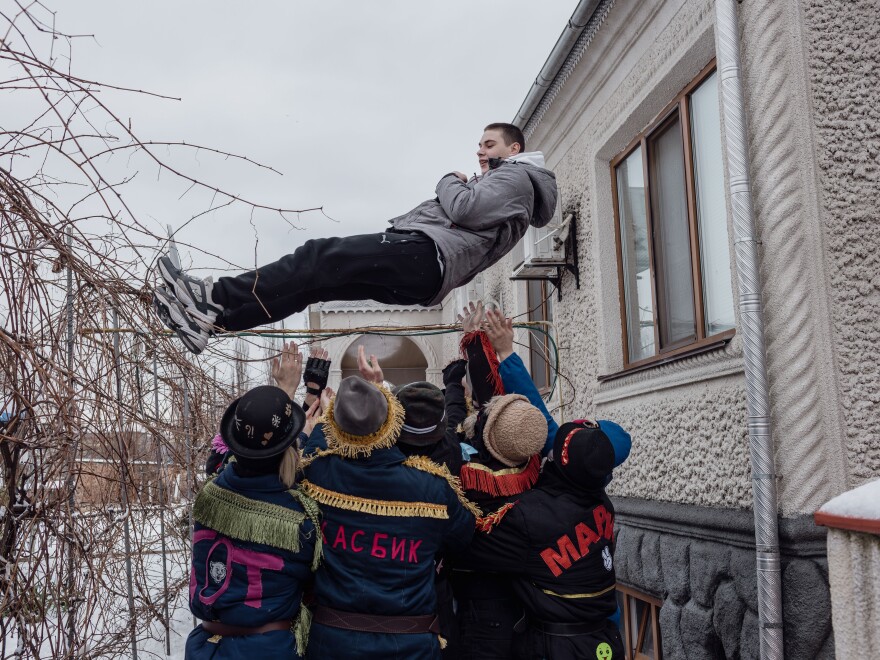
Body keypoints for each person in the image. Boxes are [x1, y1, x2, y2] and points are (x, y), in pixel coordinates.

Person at [153, 123, 558, 353]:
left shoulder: (517, 176)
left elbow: (463, 208)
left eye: (489, 144)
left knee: (317, 256)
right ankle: (215, 320)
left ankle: (213, 297)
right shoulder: (512, 188)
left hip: (426, 255)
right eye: (479, 146)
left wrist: (447, 180)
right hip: (427, 271)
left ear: (515, 148)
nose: (480, 152)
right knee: (315, 282)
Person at [300, 376, 476, 659]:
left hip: (334, 644)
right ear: (392, 421)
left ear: (334, 426)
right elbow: (464, 535)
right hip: (410, 646)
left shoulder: (318, 472)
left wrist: (325, 421)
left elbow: (313, 450)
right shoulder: (432, 485)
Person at [458, 420, 631, 660]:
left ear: (559, 463)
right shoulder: (602, 503)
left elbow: (464, 545)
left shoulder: (532, 516)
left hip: (559, 648)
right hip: (604, 642)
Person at [186, 385, 322, 660]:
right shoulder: (299, 516)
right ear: (290, 449)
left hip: (205, 648)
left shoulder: (208, 497)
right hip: (267, 650)